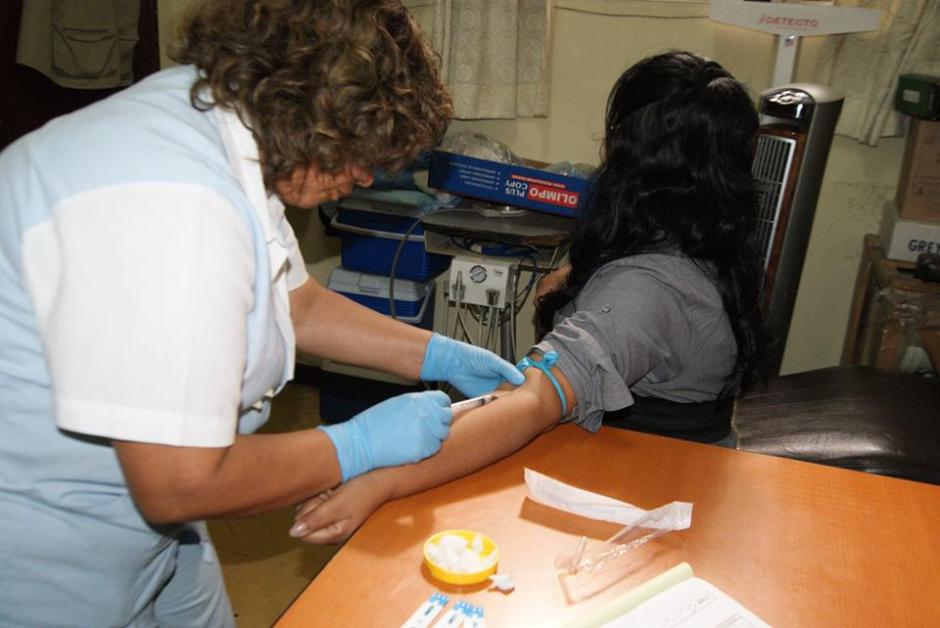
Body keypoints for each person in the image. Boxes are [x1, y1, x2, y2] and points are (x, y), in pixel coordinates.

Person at [0, 1, 524, 625]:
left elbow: (295, 304)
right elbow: (178, 480)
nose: (362, 176)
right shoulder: (171, 204)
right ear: (303, 111)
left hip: (151, 519)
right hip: (45, 532)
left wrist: (438, 353)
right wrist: (355, 445)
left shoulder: (226, 124)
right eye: (357, 153)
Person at [288, 50, 768, 545]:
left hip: (648, 492)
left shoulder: (644, 289)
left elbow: (535, 401)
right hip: (667, 464)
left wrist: (382, 480)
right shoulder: (707, 239)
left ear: (627, 155)